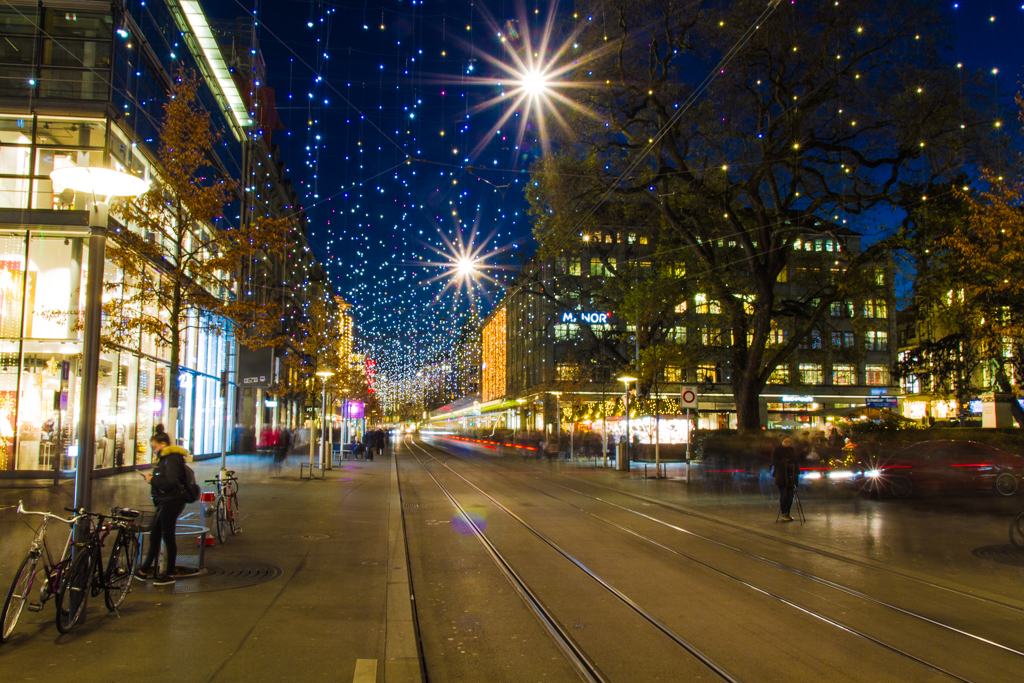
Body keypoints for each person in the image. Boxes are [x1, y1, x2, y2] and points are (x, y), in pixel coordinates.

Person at [135, 432, 189, 586]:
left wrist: (153, 479)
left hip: (171, 502)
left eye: (154, 447)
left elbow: (169, 482)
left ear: (163, 444)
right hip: (166, 501)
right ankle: (143, 570)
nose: (153, 450)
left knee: (167, 537)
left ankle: (169, 574)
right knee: (155, 535)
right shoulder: (167, 459)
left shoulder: (171, 459)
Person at [771, 436, 800, 522]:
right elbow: (774, 461)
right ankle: (784, 513)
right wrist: (783, 464)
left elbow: (795, 460)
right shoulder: (777, 449)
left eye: (788, 441)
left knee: (791, 495)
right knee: (784, 494)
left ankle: (788, 512)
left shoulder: (791, 449)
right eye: (785, 441)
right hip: (782, 475)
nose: (787, 443)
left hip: (790, 475)